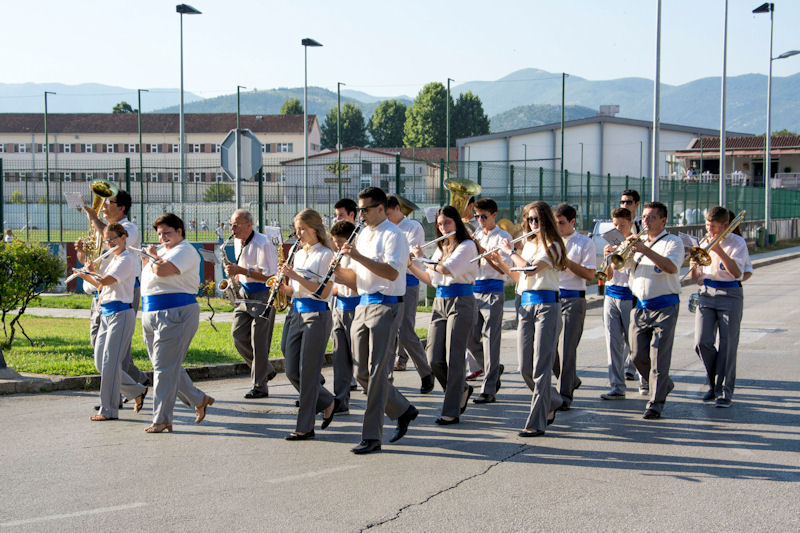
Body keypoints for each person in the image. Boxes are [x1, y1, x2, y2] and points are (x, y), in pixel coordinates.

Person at [336, 187, 418, 455]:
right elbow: (356, 278)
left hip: (386, 304)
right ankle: (403, 409)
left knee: (377, 371)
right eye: (359, 210)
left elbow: (392, 273)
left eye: (365, 210)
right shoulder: (362, 235)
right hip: (363, 302)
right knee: (361, 372)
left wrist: (358, 256)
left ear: (381, 208)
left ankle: (372, 436)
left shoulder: (394, 235)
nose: (360, 214)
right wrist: (333, 272)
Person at [493, 201, 567, 436]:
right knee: (525, 367)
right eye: (529, 219)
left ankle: (536, 423)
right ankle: (553, 400)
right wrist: (501, 263)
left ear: (546, 221)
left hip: (547, 305)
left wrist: (510, 252)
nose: (533, 224)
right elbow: (521, 279)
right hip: (526, 304)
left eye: (537, 219)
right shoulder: (528, 245)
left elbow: (531, 269)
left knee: (541, 368)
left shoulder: (554, 245)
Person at [140, 213, 214, 433]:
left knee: (163, 368)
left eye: (167, 233)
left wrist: (152, 257)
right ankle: (198, 399)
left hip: (175, 311)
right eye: (159, 234)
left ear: (179, 231)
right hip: (151, 311)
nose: (162, 238)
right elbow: (148, 275)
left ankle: (162, 419)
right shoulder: (162, 252)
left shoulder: (185, 250)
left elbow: (162, 271)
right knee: (164, 366)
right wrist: (148, 259)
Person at [409, 205, 478, 425]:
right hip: (440, 301)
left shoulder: (467, 246)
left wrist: (423, 257)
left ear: (456, 222)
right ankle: (461, 390)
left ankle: (451, 410)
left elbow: (446, 269)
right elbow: (431, 279)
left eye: (447, 222)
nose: (443, 227)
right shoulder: (441, 248)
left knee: (454, 357)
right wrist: (410, 264)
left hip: (461, 300)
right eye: (439, 224)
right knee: (433, 358)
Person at [615, 201, 684, 420]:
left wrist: (645, 250)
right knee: (637, 356)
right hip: (640, 306)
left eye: (651, 217)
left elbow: (671, 267)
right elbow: (620, 265)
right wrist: (620, 251)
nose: (646, 221)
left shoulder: (673, 242)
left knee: (659, 357)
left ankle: (655, 403)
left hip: (665, 306)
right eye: (644, 217)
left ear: (663, 220)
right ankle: (663, 385)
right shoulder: (638, 241)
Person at [277, 209, 338, 440]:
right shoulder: (299, 253)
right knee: (291, 369)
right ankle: (326, 400)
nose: (298, 234)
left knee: (308, 372)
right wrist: (281, 287)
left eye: (302, 229)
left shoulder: (326, 254)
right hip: (296, 312)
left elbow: (324, 293)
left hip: (317, 314)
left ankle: (305, 427)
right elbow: (296, 290)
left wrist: (296, 276)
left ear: (315, 228)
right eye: (296, 229)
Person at [77, 223, 147, 421]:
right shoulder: (113, 259)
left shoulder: (127, 259)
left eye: (113, 239)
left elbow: (105, 281)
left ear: (124, 237)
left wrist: (88, 273)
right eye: (107, 240)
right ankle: (136, 390)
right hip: (106, 313)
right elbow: (100, 285)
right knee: (101, 363)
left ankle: (108, 410)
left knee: (110, 363)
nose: (109, 243)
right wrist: (86, 273)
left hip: (121, 314)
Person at [80, 189, 149, 388]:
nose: (104, 205)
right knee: (98, 343)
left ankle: (122, 391)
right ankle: (136, 382)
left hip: (122, 291)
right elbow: (92, 261)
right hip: (100, 290)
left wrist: (94, 219)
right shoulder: (101, 229)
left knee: (116, 347)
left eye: (109, 202)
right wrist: (82, 253)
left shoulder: (129, 228)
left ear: (122, 207)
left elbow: (111, 237)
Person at [689, 206, 749, 408]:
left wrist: (718, 250)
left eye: (714, 226)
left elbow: (737, 273)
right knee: (701, 342)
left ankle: (724, 391)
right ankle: (714, 379)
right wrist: (693, 264)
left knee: (728, 345)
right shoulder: (703, 242)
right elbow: (695, 278)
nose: (710, 230)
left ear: (725, 225)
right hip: (706, 292)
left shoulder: (737, 242)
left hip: (730, 293)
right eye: (707, 225)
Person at [226, 209, 279, 399]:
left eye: (236, 225)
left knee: (259, 343)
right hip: (244, 293)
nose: (232, 229)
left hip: (263, 294)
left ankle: (260, 386)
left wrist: (241, 270)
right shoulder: (237, 240)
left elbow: (271, 276)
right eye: (231, 225)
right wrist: (235, 275)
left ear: (249, 225)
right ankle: (266, 369)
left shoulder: (263, 243)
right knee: (238, 335)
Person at [385, 195, 435, 394]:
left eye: (389, 214)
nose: (386, 218)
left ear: (398, 209)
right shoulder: (383, 229)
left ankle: (426, 372)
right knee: (387, 332)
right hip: (388, 283)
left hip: (408, 281)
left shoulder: (413, 227)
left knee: (405, 332)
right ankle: (385, 379)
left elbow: (407, 255)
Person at [465, 198, 511, 404]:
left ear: (494, 215)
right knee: (469, 338)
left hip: (493, 290)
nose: (480, 220)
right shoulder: (476, 235)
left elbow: (503, 269)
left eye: (484, 216)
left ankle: (488, 389)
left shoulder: (504, 237)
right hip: (473, 290)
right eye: (477, 216)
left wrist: (481, 250)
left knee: (490, 340)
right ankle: (493, 368)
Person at [552, 203, 596, 411]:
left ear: (572, 222)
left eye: (561, 223)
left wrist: (566, 260)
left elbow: (589, 274)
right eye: (555, 223)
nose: (557, 227)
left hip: (574, 299)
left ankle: (564, 395)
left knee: (567, 349)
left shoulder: (585, 243)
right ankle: (571, 379)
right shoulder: (550, 241)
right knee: (549, 349)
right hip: (551, 298)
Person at [598, 208, 641, 400]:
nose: (618, 228)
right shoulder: (610, 245)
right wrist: (607, 258)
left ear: (630, 223)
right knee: (612, 342)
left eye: (622, 225)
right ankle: (617, 386)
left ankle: (645, 381)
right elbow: (607, 276)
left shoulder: (637, 243)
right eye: (615, 225)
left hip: (630, 296)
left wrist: (626, 251)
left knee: (635, 344)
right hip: (611, 295)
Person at [329, 220, 360, 414]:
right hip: (338, 308)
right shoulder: (337, 256)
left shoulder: (358, 258)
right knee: (339, 357)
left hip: (356, 308)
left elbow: (359, 286)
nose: (337, 246)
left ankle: (389, 401)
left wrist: (337, 274)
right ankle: (340, 400)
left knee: (359, 359)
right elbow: (336, 287)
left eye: (340, 242)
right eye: (335, 243)